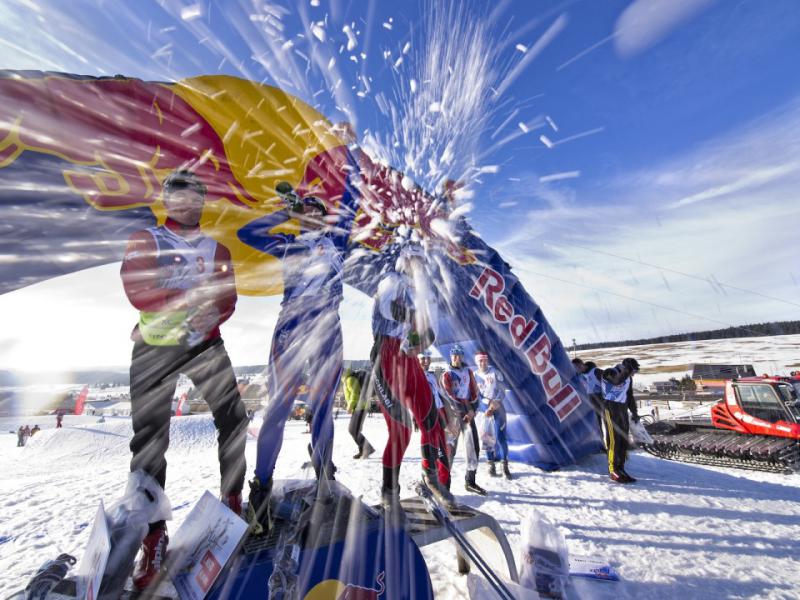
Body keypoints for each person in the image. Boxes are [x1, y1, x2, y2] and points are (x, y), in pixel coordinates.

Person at [120, 169, 248, 589]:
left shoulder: (217, 248)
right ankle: (152, 541)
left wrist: (218, 311)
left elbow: (227, 296)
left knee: (234, 420)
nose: (186, 200)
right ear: (166, 200)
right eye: (176, 192)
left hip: (204, 345)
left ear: (202, 201)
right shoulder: (148, 239)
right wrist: (190, 300)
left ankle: (233, 506)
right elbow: (137, 287)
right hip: (156, 347)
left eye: (194, 193)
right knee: (150, 440)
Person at [239, 123, 361, 533]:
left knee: (323, 407)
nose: (311, 217)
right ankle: (261, 489)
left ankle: (325, 473)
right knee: (278, 407)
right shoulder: (288, 242)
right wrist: (284, 213)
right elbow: (248, 233)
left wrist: (351, 151)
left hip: (327, 327)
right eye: (304, 212)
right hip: (290, 327)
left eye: (316, 213)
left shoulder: (337, 242)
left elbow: (352, 196)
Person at [370, 245, 454, 515]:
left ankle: (430, 478)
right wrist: (414, 318)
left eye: (421, 259)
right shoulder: (391, 280)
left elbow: (430, 331)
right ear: (404, 259)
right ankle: (389, 492)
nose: (417, 264)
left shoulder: (420, 292)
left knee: (432, 419)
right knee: (401, 429)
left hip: (408, 357)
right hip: (385, 355)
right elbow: (386, 307)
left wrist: (425, 337)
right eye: (413, 259)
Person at [441, 345, 486, 495]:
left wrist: (472, 409)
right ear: (450, 357)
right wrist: (462, 410)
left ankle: (470, 481)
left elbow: (475, 391)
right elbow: (448, 396)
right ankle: (444, 485)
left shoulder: (468, 372)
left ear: (462, 357)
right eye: (454, 355)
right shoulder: (447, 374)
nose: (456, 358)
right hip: (454, 415)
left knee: (473, 447)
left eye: (459, 355)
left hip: (468, 413)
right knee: (449, 450)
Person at [472, 350, 512, 480]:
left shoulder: (495, 372)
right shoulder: (473, 375)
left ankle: (504, 465)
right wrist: (487, 404)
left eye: (485, 360)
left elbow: (503, 390)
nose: (483, 363)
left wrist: (496, 402)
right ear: (476, 362)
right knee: (487, 439)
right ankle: (491, 465)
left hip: (498, 409)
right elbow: (475, 395)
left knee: (500, 438)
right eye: (480, 361)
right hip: (484, 412)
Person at [601, 357, 641, 484]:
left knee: (623, 440)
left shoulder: (628, 378)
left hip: (622, 409)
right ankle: (613, 470)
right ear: (626, 368)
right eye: (633, 371)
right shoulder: (609, 372)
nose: (633, 374)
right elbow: (616, 382)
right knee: (614, 440)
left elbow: (629, 396)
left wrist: (634, 412)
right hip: (610, 408)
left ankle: (620, 468)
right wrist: (626, 371)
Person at [572, 358, 606, 448]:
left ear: (581, 365)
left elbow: (608, 380)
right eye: (574, 368)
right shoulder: (580, 376)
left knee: (608, 423)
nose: (576, 370)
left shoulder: (595, 371)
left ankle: (614, 445)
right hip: (590, 402)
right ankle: (600, 444)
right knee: (596, 425)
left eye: (577, 367)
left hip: (601, 400)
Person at [345, 369, 375, 459]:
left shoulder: (350, 379)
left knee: (352, 430)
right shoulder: (348, 379)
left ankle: (367, 448)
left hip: (360, 407)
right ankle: (362, 450)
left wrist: (350, 406)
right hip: (360, 407)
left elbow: (355, 394)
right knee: (355, 430)